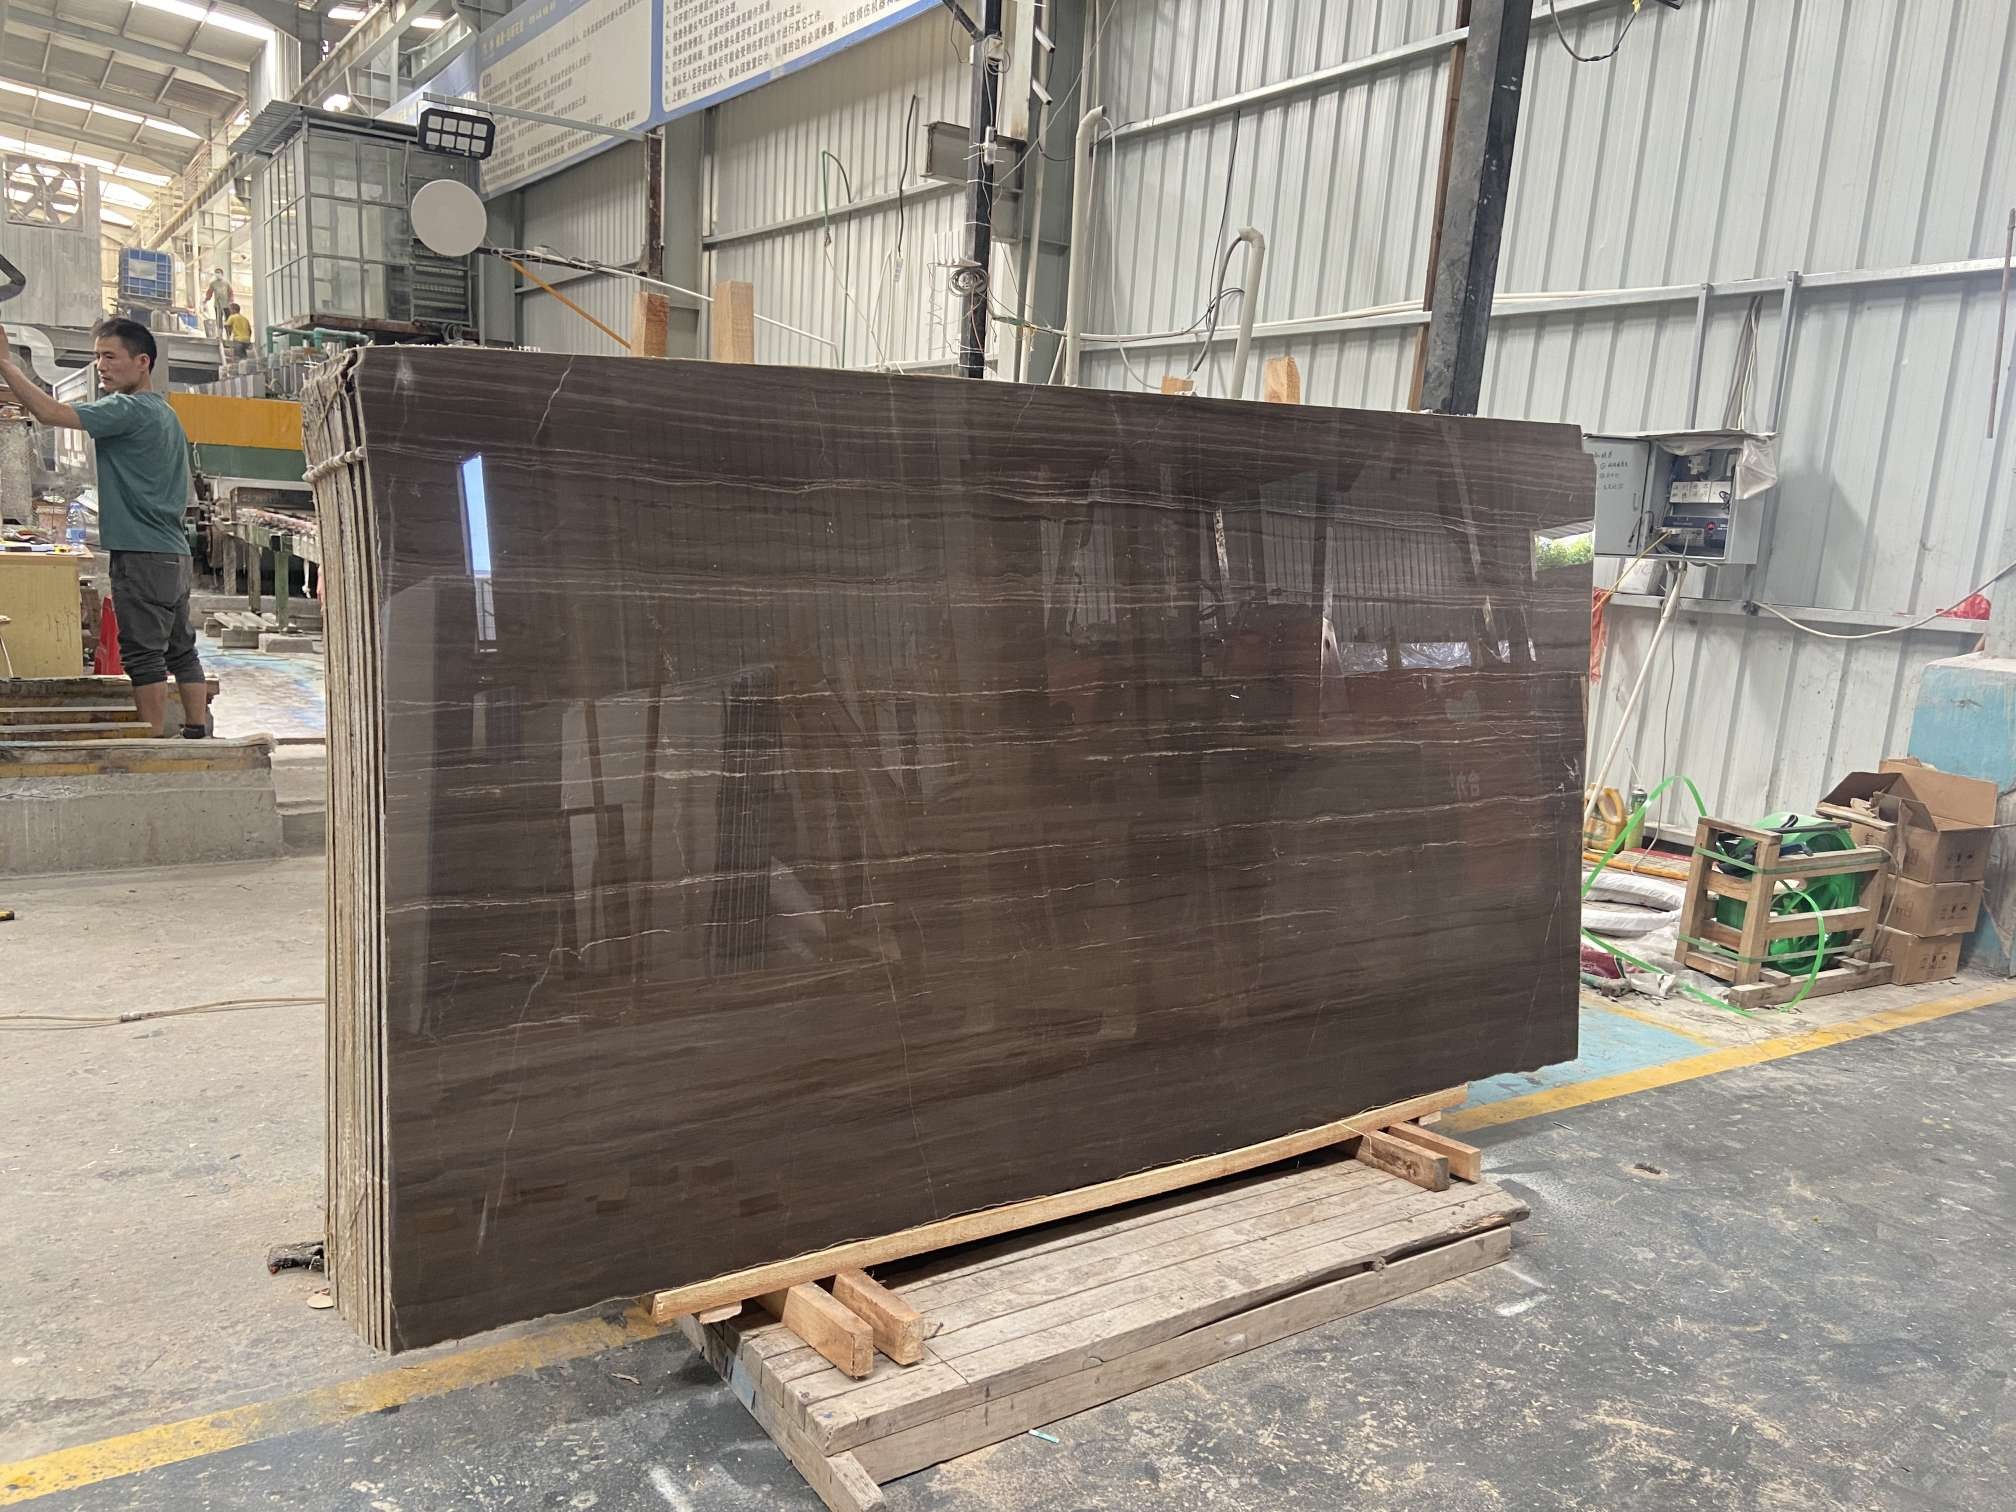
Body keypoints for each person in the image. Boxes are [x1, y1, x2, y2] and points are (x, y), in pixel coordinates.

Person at [0, 317, 209, 738]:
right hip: (173, 553)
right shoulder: (165, 413)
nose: (101, 366)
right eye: (97, 357)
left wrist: (6, 364)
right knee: (180, 648)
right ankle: (195, 731)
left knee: (143, 656)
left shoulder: (127, 409)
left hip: (141, 554)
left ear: (142, 362)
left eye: (110, 356)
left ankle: (150, 743)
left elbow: (49, 412)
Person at [205, 268, 231, 336]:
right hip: (217, 304)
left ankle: (229, 333)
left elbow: (230, 292)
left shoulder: (226, 283)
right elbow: (209, 292)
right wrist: (206, 299)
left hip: (226, 304)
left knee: (228, 319)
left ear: (222, 274)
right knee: (219, 319)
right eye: (216, 273)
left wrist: (231, 301)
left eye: (218, 272)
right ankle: (220, 333)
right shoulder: (213, 283)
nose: (217, 274)